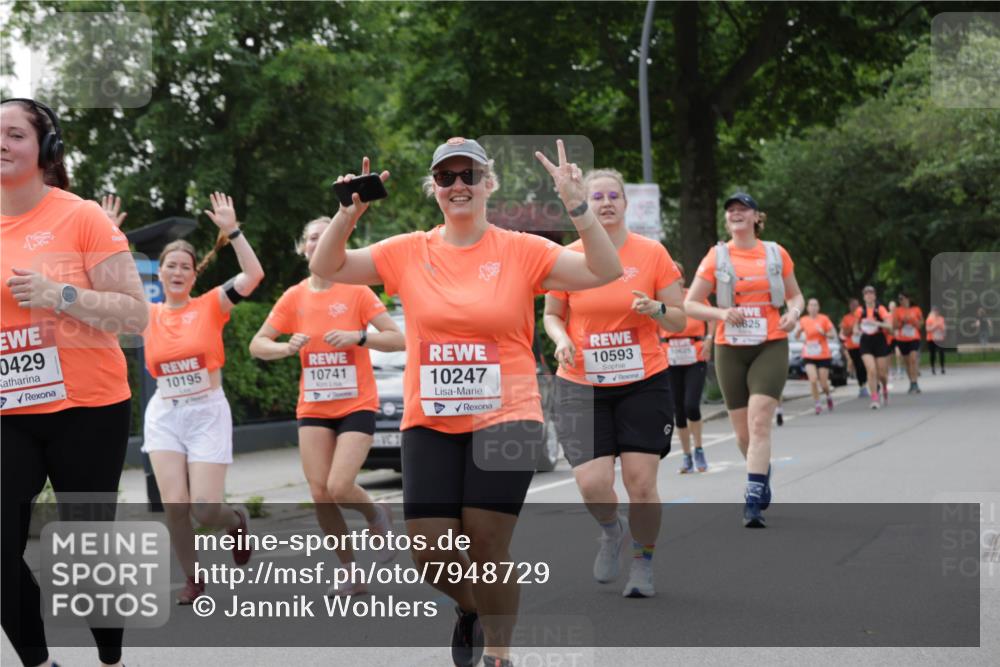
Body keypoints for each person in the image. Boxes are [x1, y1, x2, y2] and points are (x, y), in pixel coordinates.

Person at [309, 138, 622, 667]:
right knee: (431, 555)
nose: (458, 185)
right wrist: (348, 214)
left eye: (468, 176)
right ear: (434, 189)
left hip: (507, 416)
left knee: (486, 545)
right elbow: (330, 265)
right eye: (447, 177)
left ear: (487, 184)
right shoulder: (408, 250)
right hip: (430, 419)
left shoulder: (521, 249)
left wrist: (578, 207)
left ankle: (500, 655)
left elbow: (604, 271)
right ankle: (472, 608)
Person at [2, 98, 148, 667]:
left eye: (13, 134)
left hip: (88, 407)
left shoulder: (80, 215)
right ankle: (39, 662)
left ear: (46, 150)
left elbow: (134, 317)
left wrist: (60, 294)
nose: (1, 143)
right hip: (9, 411)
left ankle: (109, 653)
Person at [542, 168, 686, 599]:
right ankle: (611, 529)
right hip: (581, 383)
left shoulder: (652, 254)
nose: (605, 202)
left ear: (625, 204)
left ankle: (642, 561)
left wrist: (656, 309)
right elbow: (552, 315)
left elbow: (679, 319)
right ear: (583, 202)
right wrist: (562, 338)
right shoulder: (566, 256)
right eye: (596, 196)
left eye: (613, 196)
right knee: (591, 482)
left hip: (643, 379)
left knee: (641, 483)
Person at [249, 216, 406, 593]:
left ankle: (376, 514)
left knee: (339, 486)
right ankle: (350, 570)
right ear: (303, 248)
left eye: (325, 237)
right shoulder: (294, 297)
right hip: (315, 406)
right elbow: (257, 344)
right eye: (312, 238)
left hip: (356, 403)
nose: (318, 243)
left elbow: (397, 338)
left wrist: (358, 336)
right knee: (319, 492)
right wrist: (285, 347)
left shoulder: (357, 291)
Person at [139, 192, 264, 603]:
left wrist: (233, 230)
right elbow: (105, 282)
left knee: (206, 510)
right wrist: (108, 234)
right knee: (176, 505)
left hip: (207, 411)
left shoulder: (212, 304)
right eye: (170, 266)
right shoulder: (147, 314)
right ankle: (193, 578)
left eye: (185, 267)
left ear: (195, 274)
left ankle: (236, 520)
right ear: (160, 273)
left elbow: (254, 275)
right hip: (165, 415)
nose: (177, 272)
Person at [684, 192, 804, 529]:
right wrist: (722, 312)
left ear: (755, 217)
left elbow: (796, 296)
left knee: (759, 420)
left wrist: (793, 314)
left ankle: (752, 500)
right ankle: (761, 469)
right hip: (730, 348)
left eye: (743, 209)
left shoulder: (775, 253)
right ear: (727, 220)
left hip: (770, 343)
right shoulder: (716, 256)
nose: (736, 214)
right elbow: (691, 304)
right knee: (742, 434)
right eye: (731, 210)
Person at [657, 261, 713, 474]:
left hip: (694, 355)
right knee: (678, 411)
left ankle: (699, 449)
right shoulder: (661, 301)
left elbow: (711, 318)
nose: (674, 280)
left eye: (677, 276)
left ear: (682, 279)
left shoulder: (693, 297)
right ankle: (687, 455)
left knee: (691, 405)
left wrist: (709, 340)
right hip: (670, 357)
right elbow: (652, 327)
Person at [795, 298, 836, 414]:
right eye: (811, 305)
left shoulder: (824, 319)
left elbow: (832, 334)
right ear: (807, 308)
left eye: (815, 305)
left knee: (823, 384)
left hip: (823, 355)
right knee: (813, 380)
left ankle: (828, 396)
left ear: (818, 307)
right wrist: (798, 333)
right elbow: (798, 337)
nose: (813, 307)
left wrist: (823, 332)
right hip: (809, 354)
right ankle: (817, 403)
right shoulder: (803, 320)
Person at [855, 286, 893, 410]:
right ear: (863, 296)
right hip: (865, 341)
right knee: (871, 370)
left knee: (882, 374)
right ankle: (875, 398)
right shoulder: (860, 311)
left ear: (875, 296)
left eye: (871, 293)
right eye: (866, 293)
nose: (869, 295)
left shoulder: (880, 309)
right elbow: (855, 327)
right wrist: (856, 331)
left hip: (879, 340)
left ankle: (885, 388)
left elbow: (889, 326)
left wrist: (876, 323)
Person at [893, 292, 924, 394]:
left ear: (908, 299)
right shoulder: (897, 311)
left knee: (913, 359)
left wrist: (913, 321)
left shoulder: (916, 309)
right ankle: (911, 382)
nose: (901, 301)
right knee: (907, 363)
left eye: (903, 298)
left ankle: (915, 383)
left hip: (914, 338)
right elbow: (894, 326)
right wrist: (902, 322)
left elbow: (920, 325)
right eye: (900, 299)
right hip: (902, 339)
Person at [840, 297, 868, 397]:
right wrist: (853, 327)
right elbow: (845, 332)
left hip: (864, 344)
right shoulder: (846, 318)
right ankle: (862, 386)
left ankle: (866, 382)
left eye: (856, 305)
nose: (854, 307)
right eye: (852, 305)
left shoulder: (864, 316)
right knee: (858, 365)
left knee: (865, 364)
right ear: (849, 307)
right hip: (852, 346)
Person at [925, 306, 947, 374]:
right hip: (931, 339)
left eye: (937, 311)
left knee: (941, 353)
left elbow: (944, 327)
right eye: (935, 311)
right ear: (933, 312)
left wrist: (944, 332)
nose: (936, 312)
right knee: (932, 354)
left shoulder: (941, 319)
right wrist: (935, 326)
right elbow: (928, 329)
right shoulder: (929, 319)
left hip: (940, 338)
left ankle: (942, 367)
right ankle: (932, 367)